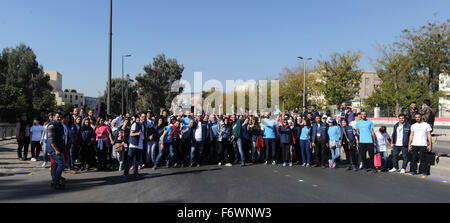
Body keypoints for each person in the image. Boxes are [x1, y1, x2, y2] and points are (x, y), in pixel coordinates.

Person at [124, 113, 147, 181]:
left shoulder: (144, 126)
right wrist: (137, 133)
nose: (143, 118)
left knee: (137, 161)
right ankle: (125, 174)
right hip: (133, 144)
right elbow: (131, 134)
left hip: (140, 145)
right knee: (129, 160)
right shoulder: (135, 124)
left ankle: (136, 173)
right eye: (142, 117)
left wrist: (144, 137)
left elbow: (143, 135)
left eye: (144, 117)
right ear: (140, 117)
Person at [47, 112, 66, 189]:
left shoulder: (60, 125)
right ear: (54, 117)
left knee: (56, 164)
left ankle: (54, 181)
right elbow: (51, 140)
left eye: (60, 117)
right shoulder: (51, 125)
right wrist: (56, 150)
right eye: (57, 117)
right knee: (61, 164)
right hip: (54, 149)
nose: (59, 118)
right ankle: (56, 180)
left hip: (59, 148)